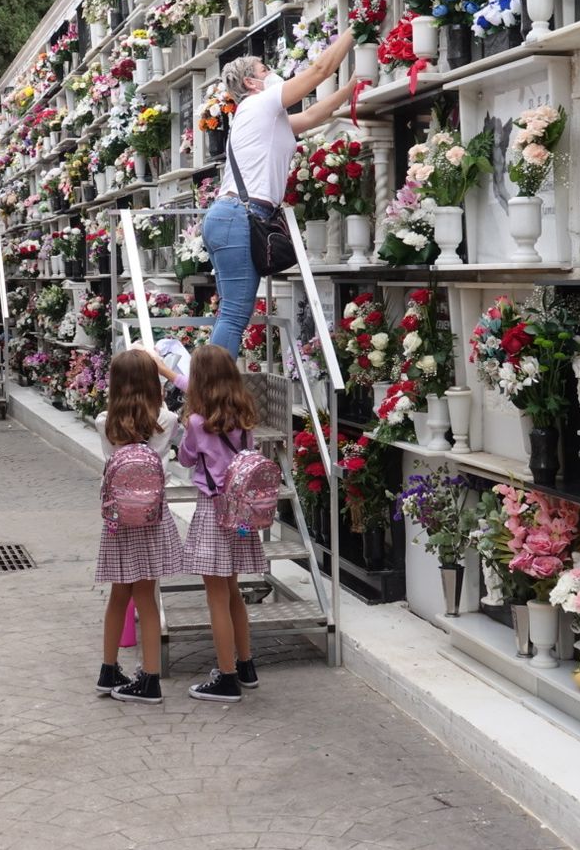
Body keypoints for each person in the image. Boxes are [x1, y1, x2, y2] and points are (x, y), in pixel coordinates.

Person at [204, 35, 358, 356]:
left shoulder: (264, 117)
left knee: (230, 314)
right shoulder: (260, 103)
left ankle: (204, 391)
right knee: (234, 316)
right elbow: (319, 71)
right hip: (240, 217)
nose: (273, 72)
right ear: (252, 82)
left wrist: (354, 87)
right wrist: (354, 30)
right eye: (266, 68)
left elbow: (315, 116)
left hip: (231, 216)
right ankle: (207, 399)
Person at [162, 344, 265, 702]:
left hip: (212, 511)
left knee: (216, 596)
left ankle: (226, 677)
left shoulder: (196, 422)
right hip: (241, 512)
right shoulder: (244, 415)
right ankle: (246, 663)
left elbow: (188, 458)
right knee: (233, 591)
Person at [92, 350, 184, 704]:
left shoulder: (105, 420)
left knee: (119, 595)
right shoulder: (166, 419)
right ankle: (149, 678)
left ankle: (108, 668)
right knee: (146, 596)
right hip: (152, 519)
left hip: (117, 521)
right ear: (152, 382)